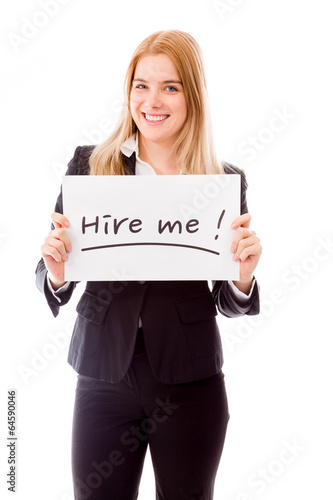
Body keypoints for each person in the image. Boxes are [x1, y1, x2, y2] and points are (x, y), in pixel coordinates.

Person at [36, 30, 262, 500]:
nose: (152, 100)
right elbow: (53, 272)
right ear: (128, 92)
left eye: (170, 86)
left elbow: (228, 300)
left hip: (190, 378)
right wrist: (56, 270)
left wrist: (242, 277)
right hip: (102, 374)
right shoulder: (90, 166)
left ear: (192, 96)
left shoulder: (222, 181)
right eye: (142, 85)